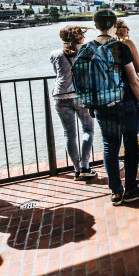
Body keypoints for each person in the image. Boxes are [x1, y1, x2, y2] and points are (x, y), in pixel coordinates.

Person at [84, 8, 139, 204]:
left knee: (109, 147)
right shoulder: (120, 47)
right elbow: (133, 80)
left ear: (96, 25)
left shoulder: (86, 49)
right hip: (126, 104)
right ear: (115, 25)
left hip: (102, 106)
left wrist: (91, 106)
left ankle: (115, 191)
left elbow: (85, 82)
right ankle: (131, 189)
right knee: (130, 147)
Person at [50, 26, 97, 179]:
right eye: (82, 35)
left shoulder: (55, 54)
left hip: (60, 96)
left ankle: (76, 170)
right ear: (79, 38)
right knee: (88, 130)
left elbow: (57, 74)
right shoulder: (87, 52)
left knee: (69, 134)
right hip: (80, 95)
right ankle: (85, 166)